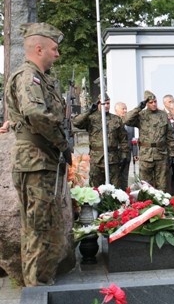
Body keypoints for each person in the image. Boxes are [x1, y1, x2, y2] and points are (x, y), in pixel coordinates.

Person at [5, 23, 74, 286]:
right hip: (34, 162)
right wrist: (62, 143)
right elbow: (35, 114)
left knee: (49, 230)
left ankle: (44, 285)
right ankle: (36, 292)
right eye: (54, 49)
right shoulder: (28, 76)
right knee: (37, 231)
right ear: (39, 48)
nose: (57, 54)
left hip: (43, 161)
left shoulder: (41, 78)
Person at [72, 93, 128, 188]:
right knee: (96, 189)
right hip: (96, 159)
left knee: (115, 189)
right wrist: (89, 111)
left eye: (108, 103)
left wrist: (124, 155)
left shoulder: (116, 119)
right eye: (103, 103)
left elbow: (123, 139)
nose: (106, 106)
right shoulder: (91, 118)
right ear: (98, 104)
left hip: (113, 159)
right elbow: (76, 122)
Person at [124, 90, 174, 192]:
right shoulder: (141, 115)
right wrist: (139, 107)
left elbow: (169, 135)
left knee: (163, 185)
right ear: (146, 103)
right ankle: (147, 206)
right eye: (151, 102)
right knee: (146, 185)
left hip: (161, 153)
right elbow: (126, 120)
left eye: (155, 102)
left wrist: (173, 152)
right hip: (146, 154)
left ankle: (162, 206)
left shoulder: (163, 115)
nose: (154, 104)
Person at [115, 101, 139, 189]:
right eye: (123, 109)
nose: (125, 111)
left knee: (125, 176)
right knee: (116, 176)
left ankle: (124, 193)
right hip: (117, 154)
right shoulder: (113, 122)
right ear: (116, 110)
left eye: (126, 109)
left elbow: (133, 139)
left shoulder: (130, 124)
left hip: (127, 154)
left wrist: (135, 153)